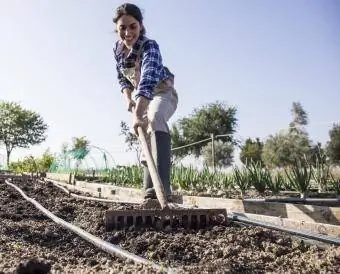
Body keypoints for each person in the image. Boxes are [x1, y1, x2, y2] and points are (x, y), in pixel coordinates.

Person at [112, 3, 178, 203]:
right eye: (122, 28)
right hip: (141, 98)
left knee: (155, 117)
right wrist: (128, 99)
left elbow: (148, 79)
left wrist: (139, 113)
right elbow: (122, 78)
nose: (127, 32)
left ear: (140, 25)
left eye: (132, 26)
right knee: (145, 135)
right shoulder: (118, 51)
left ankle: (163, 187)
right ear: (117, 29)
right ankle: (149, 189)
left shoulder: (150, 46)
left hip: (163, 93)